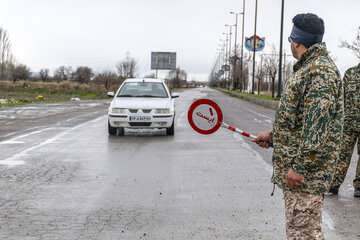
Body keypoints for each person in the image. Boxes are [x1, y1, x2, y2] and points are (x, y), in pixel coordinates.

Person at [253, 13, 343, 239]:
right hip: (300, 173)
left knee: (303, 235)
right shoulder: (309, 68)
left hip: (306, 177)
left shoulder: (319, 71)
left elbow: (317, 126)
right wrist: (274, 137)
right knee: (300, 232)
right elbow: (301, 120)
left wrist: (301, 167)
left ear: (296, 41)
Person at [329, 64, 360, 197]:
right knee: (342, 154)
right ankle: (334, 184)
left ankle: (359, 187)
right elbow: (341, 97)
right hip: (348, 123)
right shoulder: (350, 73)